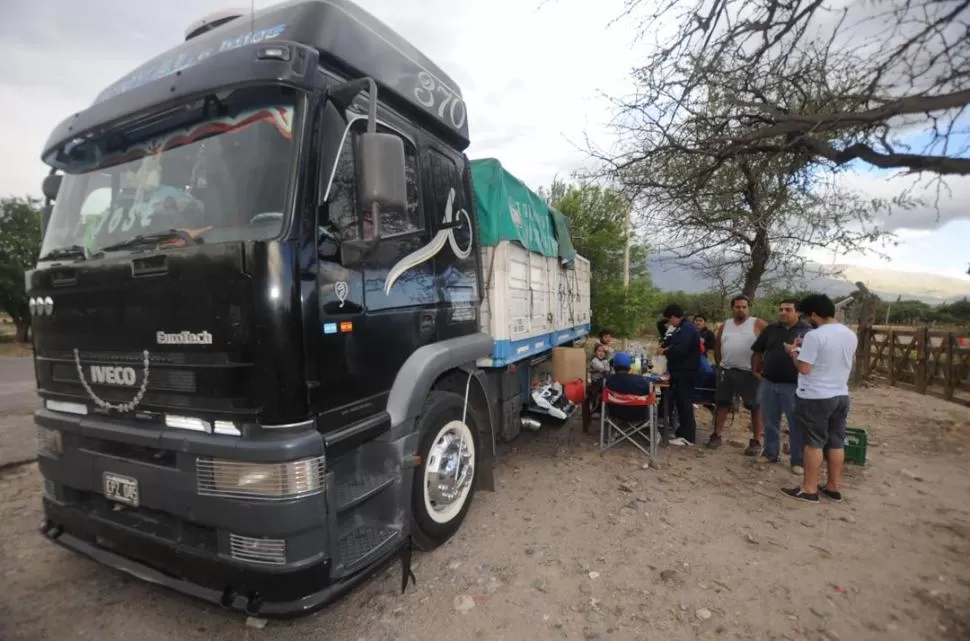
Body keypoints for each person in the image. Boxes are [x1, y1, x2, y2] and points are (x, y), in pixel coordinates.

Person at [781, 294, 858, 503]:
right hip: (841, 394)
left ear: (814, 314)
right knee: (836, 442)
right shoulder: (849, 334)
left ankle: (809, 488)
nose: (809, 319)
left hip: (816, 396)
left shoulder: (816, 336)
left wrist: (793, 353)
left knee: (813, 443)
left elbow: (805, 369)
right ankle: (833, 487)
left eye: (809, 316)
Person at [751, 299, 812, 473]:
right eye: (781, 309)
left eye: (788, 309)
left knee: (796, 423)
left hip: (794, 385)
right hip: (769, 382)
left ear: (797, 312)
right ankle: (770, 453)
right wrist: (755, 370)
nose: (783, 312)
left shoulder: (808, 332)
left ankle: (797, 461)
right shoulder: (771, 330)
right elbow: (758, 350)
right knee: (770, 421)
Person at [710, 295, 767, 455]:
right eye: (737, 307)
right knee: (722, 404)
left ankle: (756, 440)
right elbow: (718, 345)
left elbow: (771, 342)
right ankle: (717, 435)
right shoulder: (725, 325)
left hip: (750, 373)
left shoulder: (757, 324)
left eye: (744, 307)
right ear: (732, 308)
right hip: (727, 370)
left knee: (755, 407)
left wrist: (762, 366)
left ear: (748, 308)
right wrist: (720, 364)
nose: (741, 309)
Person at [657, 303, 700, 445]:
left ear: (675, 317)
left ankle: (688, 437)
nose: (670, 323)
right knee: (680, 403)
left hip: (685, 371)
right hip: (678, 371)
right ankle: (681, 431)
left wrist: (666, 351)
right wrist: (665, 346)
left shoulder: (687, 329)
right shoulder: (680, 329)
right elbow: (672, 341)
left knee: (685, 402)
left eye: (670, 320)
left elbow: (680, 350)